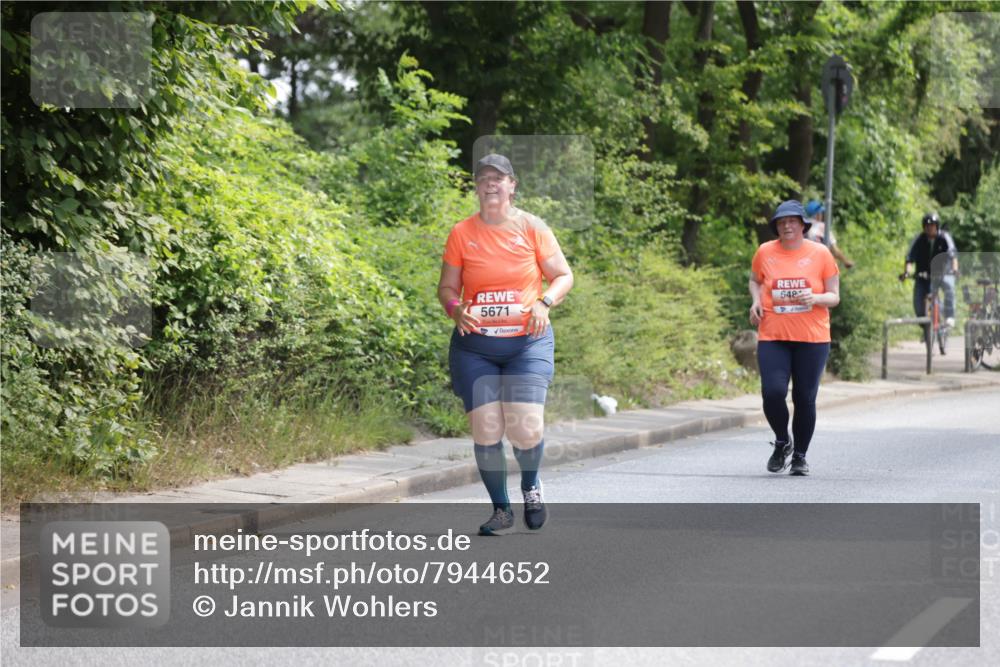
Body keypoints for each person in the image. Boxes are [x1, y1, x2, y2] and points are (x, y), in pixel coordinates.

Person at [438, 154, 574, 535]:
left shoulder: (532, 227)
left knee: (526, 428)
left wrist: (544, 302)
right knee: (487, 429)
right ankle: (501, 510)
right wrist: (455, 308)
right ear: (476, 187)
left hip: (526, 343)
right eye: (484, 178)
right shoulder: (461, 232)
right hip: (475, 346)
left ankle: (530, 487)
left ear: (512, 185)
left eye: (499, 177)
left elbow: (563, 275)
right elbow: (447, 287)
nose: (491, 183)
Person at [749, 200, 840, 476]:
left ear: (803, 225)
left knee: (804, 398)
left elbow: (834, 296)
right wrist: (754, 302)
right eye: (781, 222)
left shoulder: (821, 253)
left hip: (812, 338)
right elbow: (755, 280)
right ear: (776, 226)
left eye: (792, 221)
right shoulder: (765, 252)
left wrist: (815, 297)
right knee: (772, 393)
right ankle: (781, 440)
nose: (786, 226)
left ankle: (800, 456)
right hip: (773, 334)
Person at [903, 211, 958, 330]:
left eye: (932, 225)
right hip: (924, 274)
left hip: (944, 271)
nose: (929, 228)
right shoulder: (919, 239)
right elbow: (910, 258)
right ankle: (927, 330)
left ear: (937, 226)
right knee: (918, 304)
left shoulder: (944, 237)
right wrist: (907, 272)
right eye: (927, 226)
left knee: (949, 287)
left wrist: (954, 269)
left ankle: (949, 316)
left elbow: (952, 254)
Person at [804, 200, 855, 269]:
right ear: (818, 214)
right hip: (819, 266)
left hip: (803, 265)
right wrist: (846, 261)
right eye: (821, 213)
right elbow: (834, 250)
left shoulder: (801, 227)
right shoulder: (822, 227)